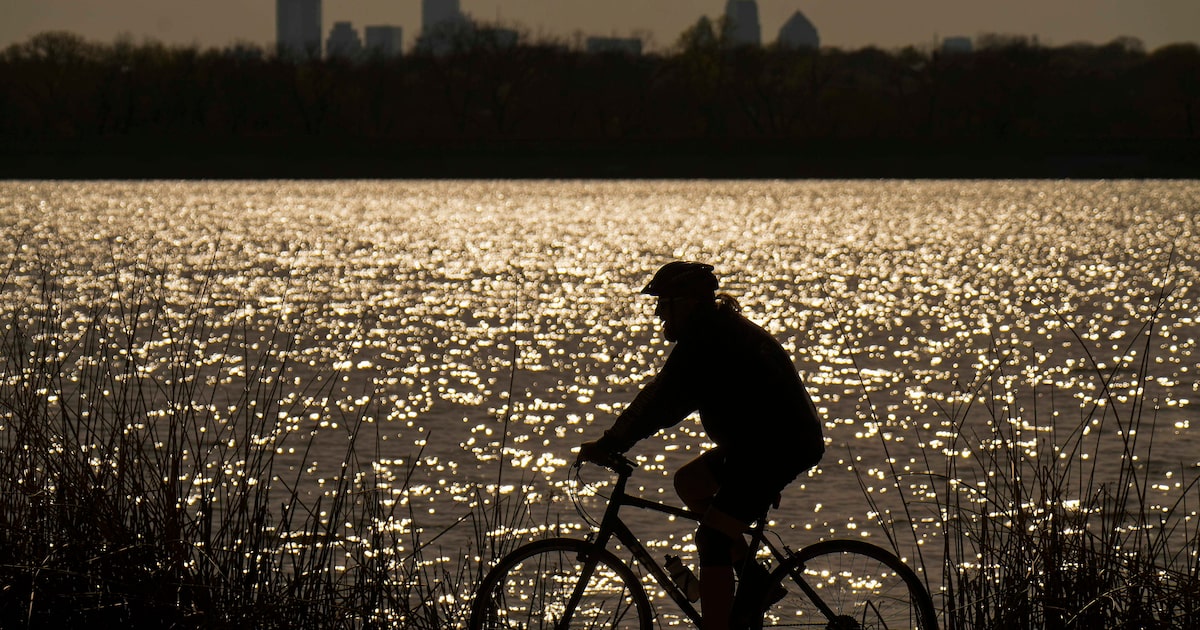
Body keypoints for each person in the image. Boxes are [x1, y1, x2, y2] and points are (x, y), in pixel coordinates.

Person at [577, 261, 824, 630]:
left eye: (663, 302)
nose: (658, 311)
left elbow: (660, 401)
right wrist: (617, 440)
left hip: (777, 446)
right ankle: (753, 580)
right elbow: (664, 399)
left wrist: (611, 442)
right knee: (690, 482)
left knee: (711, 536)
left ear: (688, 302)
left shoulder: (708, 340)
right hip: (759, 443)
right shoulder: (711, 331)